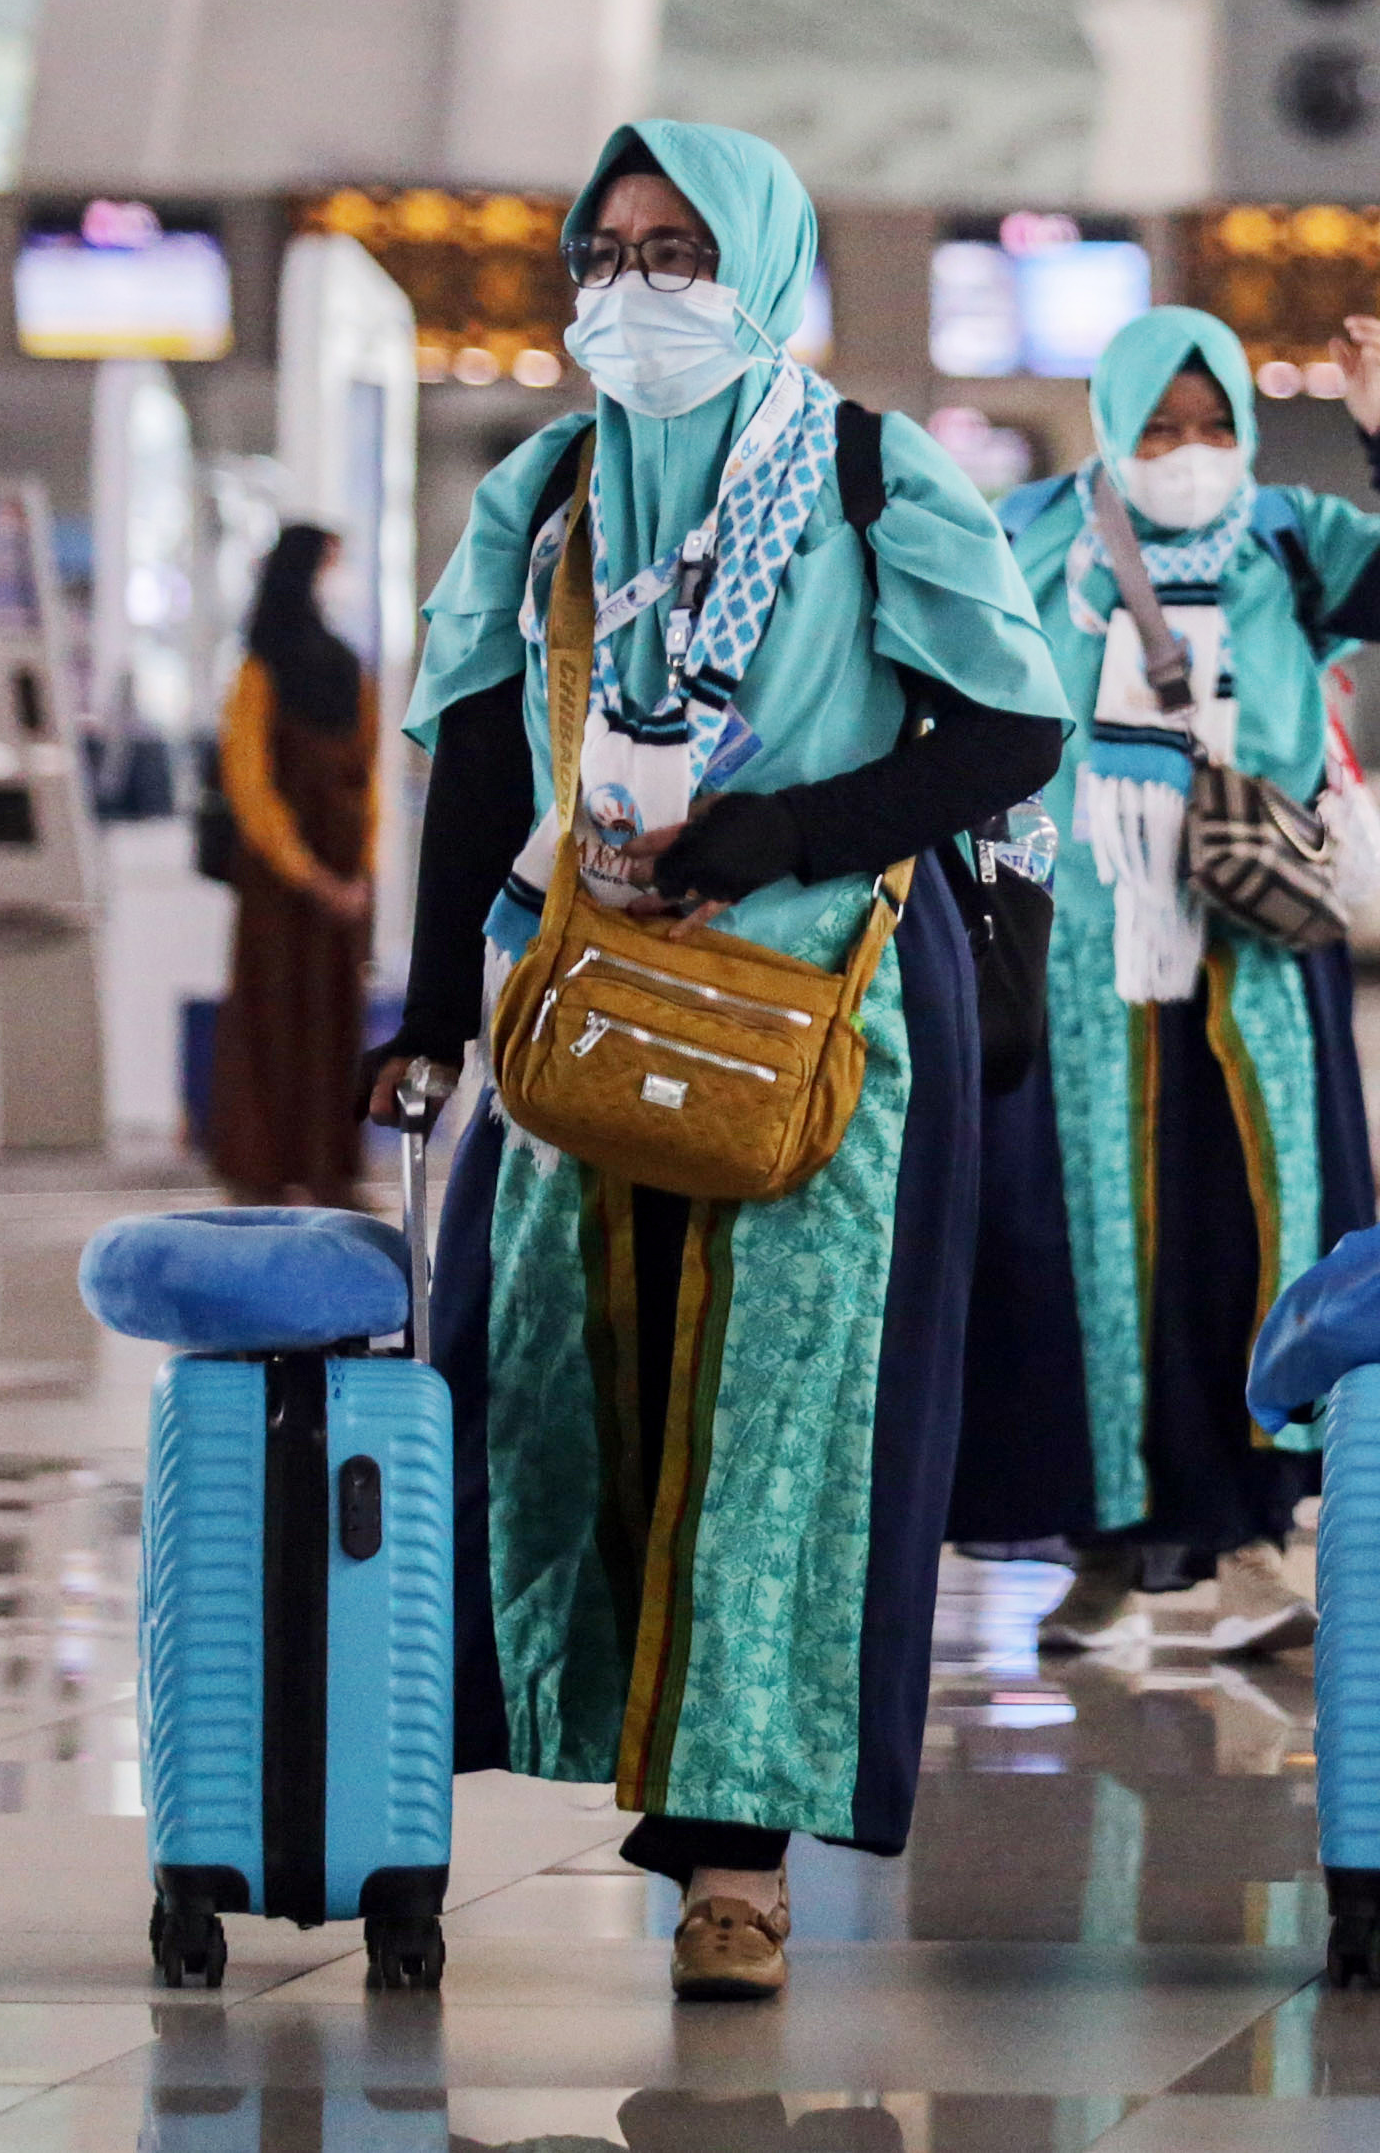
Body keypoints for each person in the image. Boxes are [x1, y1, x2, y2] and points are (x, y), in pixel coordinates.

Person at [366, 122, 1068, 2000]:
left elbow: (1007, 731)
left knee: (779, 1430)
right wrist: (432, 1012)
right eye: (606, 256)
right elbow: (478, 764)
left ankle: (734, 1865)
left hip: (821, 1012)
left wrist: (770, 839)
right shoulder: (551, 493)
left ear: (761, 270)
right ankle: (585, 1755)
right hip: (587, 1004)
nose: (636, 293)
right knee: (560, 1396)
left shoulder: (861, 473)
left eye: (679, 254)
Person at [954, 305, 1380, 1656]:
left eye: (1213, 425)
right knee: (1081, 1242)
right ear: (1112, 423)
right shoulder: (1029, 535)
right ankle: (1102, 1538)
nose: (1191, 450)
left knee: (1253, 1229)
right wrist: (983, 895)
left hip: (1256, 943)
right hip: (1083, 947)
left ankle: (1255, 1533)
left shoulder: (1285, 538)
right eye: (1162, 424)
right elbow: (967, 707)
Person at [207, 524, 373, 1205]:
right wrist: (342, 876)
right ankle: (292, 1165)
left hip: (297, 881)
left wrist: (334, 874)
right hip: (302, 880)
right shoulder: (295, 668)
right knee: (300, 1018)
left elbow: (254, 781)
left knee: (310, 1021)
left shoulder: (277, 666)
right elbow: (254, 783)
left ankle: (298, 1165)